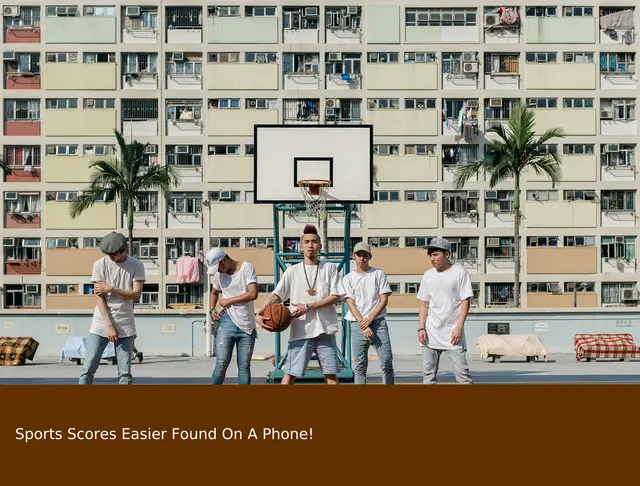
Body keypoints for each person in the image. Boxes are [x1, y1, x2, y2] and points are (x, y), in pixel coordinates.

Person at [256, 224, 345, 385]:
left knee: (331, 375)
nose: (310, 245)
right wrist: (259, 313)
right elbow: (276, 295)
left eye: (314, 241)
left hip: (325, 329)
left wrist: (308, 306)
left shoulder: (329, 268)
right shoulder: (292, 271)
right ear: (301, 247)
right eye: (307, 242)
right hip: (301, 331)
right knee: (290, 374)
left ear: (320, 246)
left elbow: (336, 296)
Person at [79, 232, 146, 385]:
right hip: (102, 321)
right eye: (107, 254)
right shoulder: (99, 264)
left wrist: (112, 289)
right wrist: (109, 326)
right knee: (88, 368)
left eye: (113, 254)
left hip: (125, 321)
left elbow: (136, 295)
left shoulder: (136, 265)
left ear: (125, 250)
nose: (110, 257)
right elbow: (99, 297)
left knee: (125, 373)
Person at [416, 237, 474, 385]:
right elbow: (424, 304)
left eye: (435, 254)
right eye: (430, 255)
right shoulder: (428, 275)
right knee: (428, 375)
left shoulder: (459, 273)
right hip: (430, 333)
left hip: (452, 335)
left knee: (463, 376)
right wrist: (421, 328)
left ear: (447, 254)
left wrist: (459, 328)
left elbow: (465, 301)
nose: (431, 258)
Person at [206, 247, 259, 385]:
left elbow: (253, 294)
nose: (217, 271)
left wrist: (230, 300)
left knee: (244, 366)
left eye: (218, 267)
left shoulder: (247, 268)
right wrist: (212, 310)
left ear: (224, 260)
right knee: (221, 362)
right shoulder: (219, 275)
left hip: (247, 325)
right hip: (227, 321)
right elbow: (214, 293)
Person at [343, 242, 394, 384]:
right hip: (357, 324)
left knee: (387, 362)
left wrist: (370, 319)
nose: (362, 258)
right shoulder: (348, 278)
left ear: (370, 256)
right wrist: (364, 325)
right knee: (360, 366)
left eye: (365, 255)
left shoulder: (378, 274)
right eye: (358, 255)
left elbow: (384, 300)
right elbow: (350, 304)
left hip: (378, 323)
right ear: (353, 256)